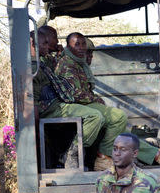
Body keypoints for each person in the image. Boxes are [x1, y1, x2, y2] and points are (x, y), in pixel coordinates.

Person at [55, 32, 160, 170]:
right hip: (77, 107)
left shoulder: (80, 66)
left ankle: (157, 154)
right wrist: (95, 99)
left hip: (85, 106)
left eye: (89, 52)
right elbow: (73, 94)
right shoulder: (69, 64)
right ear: (69, 46)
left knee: (120, 129)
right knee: (117, 119)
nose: (88, 56)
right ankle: (103, 157)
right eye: (86, 52)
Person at [30, 29, 106, 169]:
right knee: (95, 116)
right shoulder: (33, 69)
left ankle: (83, 155)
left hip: (58, 104)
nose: (49, 46)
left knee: (98, 117)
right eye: (45, 43)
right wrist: (35, 134)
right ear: (32, 44)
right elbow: (33, 104)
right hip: (50, 108)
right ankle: (72, 153)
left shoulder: (43, 64)